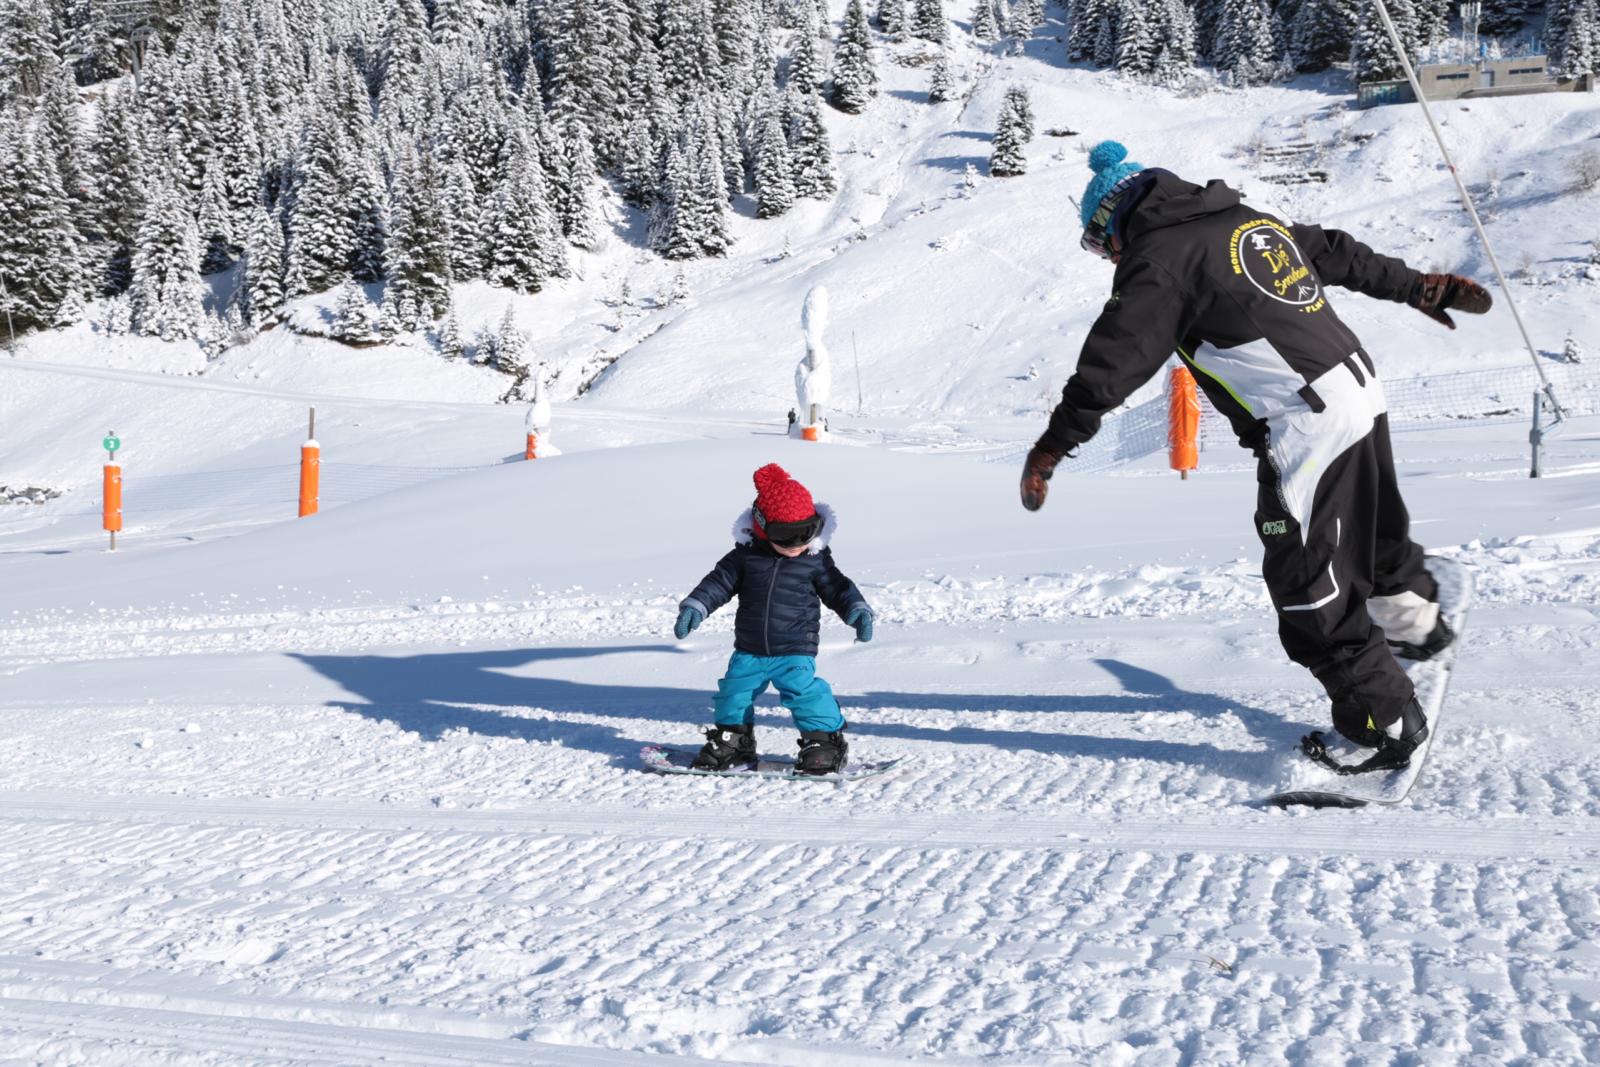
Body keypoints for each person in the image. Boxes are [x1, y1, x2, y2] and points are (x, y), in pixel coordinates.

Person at [1021, 140, 1493, 772]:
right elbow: (1334, 251)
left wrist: (1054, 444)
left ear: (1114, 220)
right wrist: (1416, 287)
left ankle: (1383, 728)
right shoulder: (1247, 221)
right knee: (1369, 525)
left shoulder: (1159, 259)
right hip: (1356, 388)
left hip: (1304, 419)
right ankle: (1414, 620)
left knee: (1306, 580)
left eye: (1096, 241)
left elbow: (1114, 362)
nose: (1104, 255)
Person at [674, 463, 874, 774]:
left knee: (804, 693)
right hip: (749, 648)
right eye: (787, 536)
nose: (797, 545)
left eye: (806, 533)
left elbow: (838, 587)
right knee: (733, 693)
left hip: (795, 647)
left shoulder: (814, 561)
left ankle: (825, 742)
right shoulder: (745, 557)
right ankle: (734, 742)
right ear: (762, 527)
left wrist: (856, 610)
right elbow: (718, 583)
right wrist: (695, 607)